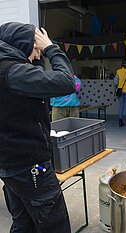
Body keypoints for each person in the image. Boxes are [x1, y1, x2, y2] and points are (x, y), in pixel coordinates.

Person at [0, 22, 76, 233]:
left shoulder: (8, 68)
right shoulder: (14, 73)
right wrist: (51, 49)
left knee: (23, 223)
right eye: (35, 49)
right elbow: (67, 82)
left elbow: (37, 84)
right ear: (22, 45)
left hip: (11, 165)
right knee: (55, 225)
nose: (36, 55)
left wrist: (38, 55)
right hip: (29, 167)